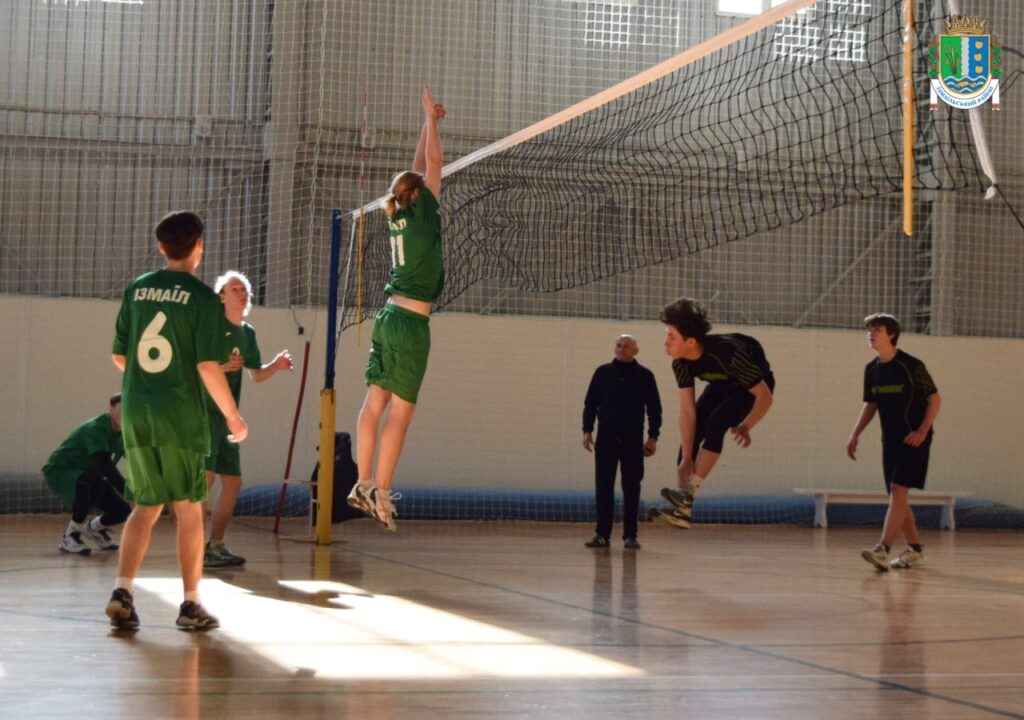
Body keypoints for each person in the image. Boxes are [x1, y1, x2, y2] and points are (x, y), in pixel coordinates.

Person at [106, 210, 248, 632]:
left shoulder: (138, 288)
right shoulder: (204, 299)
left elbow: (119, 355)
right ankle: (190, 604)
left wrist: (148, 385)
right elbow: (207, 366)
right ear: (199, 246)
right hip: (180, 414)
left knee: (146, 505)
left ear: (161, 247)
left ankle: (122, 592)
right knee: (188, 509)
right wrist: (233, 416)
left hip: (136, 410)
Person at [347, 87, 445, 533]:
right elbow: (433, 165)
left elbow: (418, 168)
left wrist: (428, 124)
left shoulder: (398, 213)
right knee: (401, 412)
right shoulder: (423, 212)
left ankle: (363, 482)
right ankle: (381, 491)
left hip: (388, 317)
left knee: (375, 403)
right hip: (409, 324)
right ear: (419, 194)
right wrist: (432, 121)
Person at [655, 298, 775, 529]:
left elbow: (765, 397)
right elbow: (687, 411)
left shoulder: (728, 352)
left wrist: (746, 426)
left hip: (753, 386)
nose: (666, 342)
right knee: (693, 432)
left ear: (690, 341)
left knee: (716, 422)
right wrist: (687, 456)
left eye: (671, 337)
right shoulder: (680, 363)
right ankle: (682, 508)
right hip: (723, 384)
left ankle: (688, 496)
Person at [203, 270, 292, 568]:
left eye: (245, 289)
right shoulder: (211, 326)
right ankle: (195, 547)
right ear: (222, 296)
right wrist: (220, 368)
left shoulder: (247, 332)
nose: (242, 293)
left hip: (229, 417)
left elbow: (256, 375)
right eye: (235, 288)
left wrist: (276, 365)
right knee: (206, 478)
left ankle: (216, 544)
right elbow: (195, 367)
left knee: (232, 481)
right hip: (205, 411)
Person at [847, 313, 940, 571]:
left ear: (891, 335)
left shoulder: (911, 365)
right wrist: (855, 434)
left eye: (876, 330)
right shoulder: (872, 369)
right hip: (889, 439)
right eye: (869, 330)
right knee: (897, 495)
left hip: (914, 437)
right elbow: (871, 404)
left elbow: (935, 399)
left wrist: (922, 431)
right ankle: (915, 550)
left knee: (899, 490)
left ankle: (882, 550)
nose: (871, 334)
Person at [582, 334, 662, 549]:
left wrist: (653, 437)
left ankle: (630, 535)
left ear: (635, 350)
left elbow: (654, 409)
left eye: (626, 346)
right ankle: (602, 534)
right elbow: (590, 404)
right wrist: (587, 430)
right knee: (603, 487)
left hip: (632, 441)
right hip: (606, 440)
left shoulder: (645, 376)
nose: (621, 349)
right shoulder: (602, 373)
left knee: (632, 488)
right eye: (618, 345)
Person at [43, 393, 131, 554]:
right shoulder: (95, 428)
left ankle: (94, 529)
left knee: (123, 510)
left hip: (90, 474)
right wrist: (128, 491)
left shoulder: (125, 434)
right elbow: (104, 463)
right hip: (61, 470)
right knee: (86, 483)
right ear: (111, 409)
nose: (124, 414)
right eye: (121, 409)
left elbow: (136, 462)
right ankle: (70, 537)